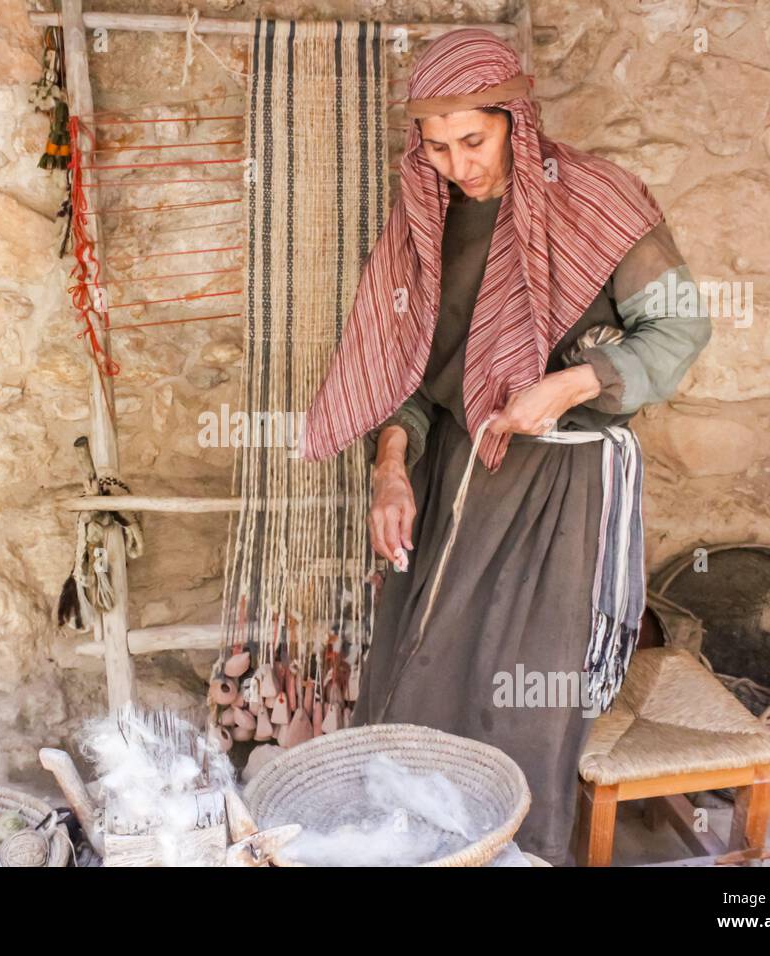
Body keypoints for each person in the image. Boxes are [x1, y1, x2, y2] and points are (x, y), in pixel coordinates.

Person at [296, 29, 712, 865]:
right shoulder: (428, 220)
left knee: (517, 687)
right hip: (451, 469)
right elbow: (407, 369)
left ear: (516, 120)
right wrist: (388, 468)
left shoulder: (600, 204)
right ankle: (406, 844)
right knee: (412, 661)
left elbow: (681, 326)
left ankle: (514, 848)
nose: (458, 164)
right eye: (438, 146)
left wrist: (569, 382)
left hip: (557, 481)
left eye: (474, 141)